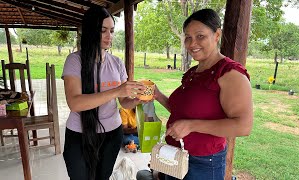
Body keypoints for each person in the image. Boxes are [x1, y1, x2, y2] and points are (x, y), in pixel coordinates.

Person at [154, 8, 253, 180]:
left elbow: (243, 126)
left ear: (217, 35)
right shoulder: (194, 73)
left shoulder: (230, 74)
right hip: (176, 156)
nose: (192, 44)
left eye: (200, 36)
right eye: (188, 37)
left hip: (203, 162)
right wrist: (157, 95)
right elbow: (182, 112)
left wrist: (191, 126)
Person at [61, 6, 145, 180]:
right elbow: (75, 103)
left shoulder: (117, 63)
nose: (109, 36)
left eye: (112, 31)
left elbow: (123, 101)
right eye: (103, 30)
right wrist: (116, 90)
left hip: (112, 134)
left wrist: (137, 99)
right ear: (92, 31)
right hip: (80, 134)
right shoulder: (74, 61)